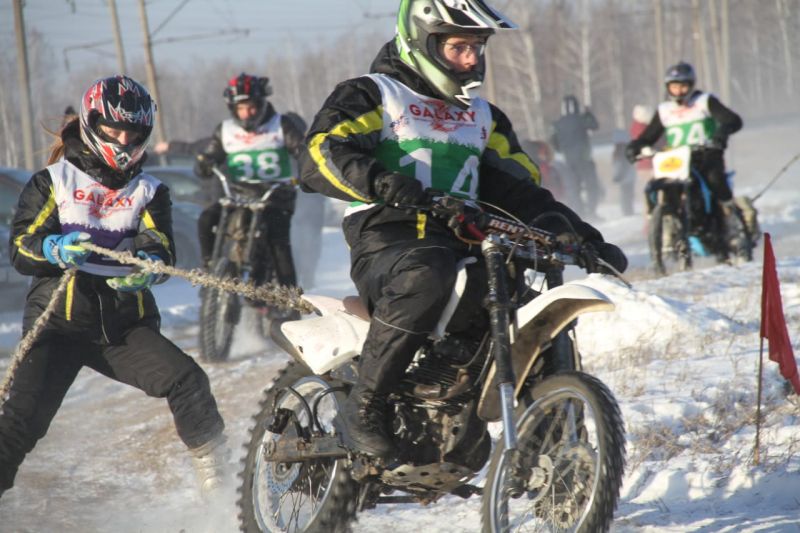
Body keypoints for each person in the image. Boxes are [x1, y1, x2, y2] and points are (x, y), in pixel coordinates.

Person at [299, 0, 628, 458]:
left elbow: (519, 190)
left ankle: (549, 447)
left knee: (523, 303)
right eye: (459, 47)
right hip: (390, 233)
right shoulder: (373, 94)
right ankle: (365, 407)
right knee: (427, 271)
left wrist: (580, 235)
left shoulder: (484, 117)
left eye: (477, 47)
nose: (472, 59)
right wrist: (387, 183)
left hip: (466, 236)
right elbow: (319, 154)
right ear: (421, 41)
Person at [0, 75, 227, 501]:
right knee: (18, 426)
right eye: (114, 129)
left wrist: (152, 265)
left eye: (133, 133)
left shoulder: (150, 190)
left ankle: (222, 490)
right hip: (57, 324)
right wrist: (51, 248)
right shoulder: (53, 181)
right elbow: (20, 246)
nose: (124, 140)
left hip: (122, 328)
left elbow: (159, 243)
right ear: (92, 123)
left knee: (189, 381)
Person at [194, 73, 305, 301]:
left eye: (252, 107)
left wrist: (307, 170)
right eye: (241, 108)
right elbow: (211, 154)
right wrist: (204, 163)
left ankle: (290, 300)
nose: (248, 113)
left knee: (279, 245)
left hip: (275, 196)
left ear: (262, 104)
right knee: (206, 219)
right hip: (238, 196)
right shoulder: (225, 130)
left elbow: (303, 151)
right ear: (233, 108)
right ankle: (209, 268)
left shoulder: (281, 125)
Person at [625, 61, 744, 256]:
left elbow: (733, 120)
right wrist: (635, 146)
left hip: (706, 157)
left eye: (683, 86)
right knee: (656, 187)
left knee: (715, 181)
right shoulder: (664, 110)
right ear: (668, 87)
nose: (678, 91)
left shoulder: (704, 102)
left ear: (691, 85)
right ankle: (665, 228)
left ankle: (732, 222)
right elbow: (649, 136)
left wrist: (721, 134)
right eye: (674, 86)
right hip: (677, 161)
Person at [550, 94, 602, 220]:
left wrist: (562, 149)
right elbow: (595, 126)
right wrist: (589, 113)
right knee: (591, 185)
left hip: (568, 160)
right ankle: (591, 212)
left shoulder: (558, 123)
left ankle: (579, 213)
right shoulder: (581, 119)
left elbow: (553, 141)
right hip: (584, 159)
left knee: (574, 188)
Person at [611, 129, 636, 216]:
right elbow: (623, 165)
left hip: (625, 178)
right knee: (627, 194)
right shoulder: (624, 149)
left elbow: (623, 165)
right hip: (627, 178)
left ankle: (627, 210)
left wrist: (618, 176)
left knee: (626, 194)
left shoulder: (620, 150)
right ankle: (628, 211)